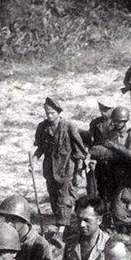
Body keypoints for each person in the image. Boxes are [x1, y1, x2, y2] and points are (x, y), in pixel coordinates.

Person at [34, 97, 88, 237]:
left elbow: (79, 151)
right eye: (47, 113)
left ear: (58, 112)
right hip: (50, 169)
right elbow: (40, 148)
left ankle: (62, 229)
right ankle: (63, 222)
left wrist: (79, 172)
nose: (49, 116)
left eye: (52, 113)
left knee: (64, 198)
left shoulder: (69, 126)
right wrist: (33, 160)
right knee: (53, 197)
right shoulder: (42, 127)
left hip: (66, 168)